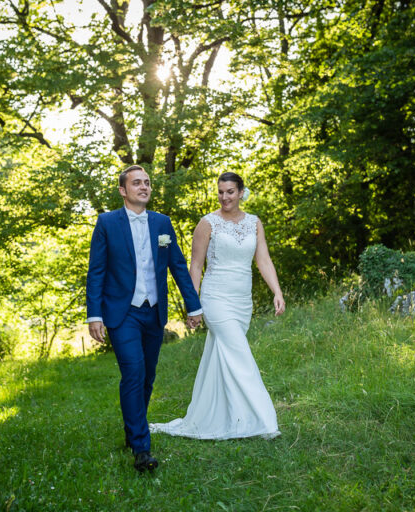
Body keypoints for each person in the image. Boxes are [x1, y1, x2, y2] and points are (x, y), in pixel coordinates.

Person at [86, 165, 203, 472]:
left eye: (147, 183)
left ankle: (132, 429)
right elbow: (96, 270)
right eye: (136, 183)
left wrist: (194, 306)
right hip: (121, 313)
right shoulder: (107, 223)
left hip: (153, 311)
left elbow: (178, 265)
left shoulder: (162, 223)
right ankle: (141, 448)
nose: (144, 187)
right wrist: (94, 315)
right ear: (123, 191)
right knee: (134, 372)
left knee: (148, 376)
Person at [150, 172, 284, 440]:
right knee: (241, 355)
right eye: (221, 192)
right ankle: (265, 421)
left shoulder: (255, 223)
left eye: (231, 191)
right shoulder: (207, 223)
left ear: (241, 192)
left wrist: (277, 292)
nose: (225, 197)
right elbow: (196, 266)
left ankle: (219, 416)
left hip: (242, 301)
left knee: (223, 356)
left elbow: (264, 260)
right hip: (215, 298)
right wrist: (193, 305)